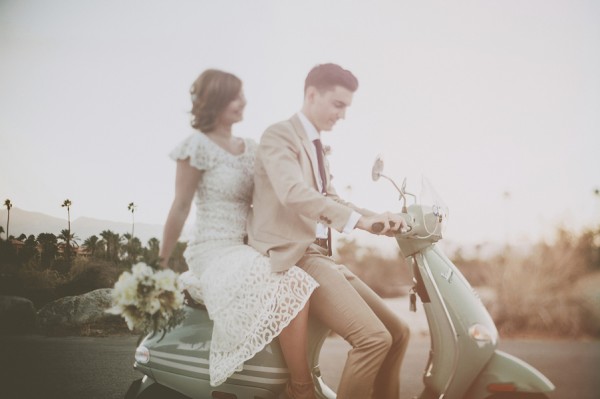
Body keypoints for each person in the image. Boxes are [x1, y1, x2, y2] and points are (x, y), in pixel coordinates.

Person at [247, 63, 411, 399]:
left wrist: (377, 219)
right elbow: (292, 192)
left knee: (398, 332)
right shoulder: (279, 136)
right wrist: (358, 221)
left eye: (347, 107)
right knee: (373, 339)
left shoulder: (317, 146)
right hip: (294, 256)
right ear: (312, 95)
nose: (343, 115)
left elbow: (331, 199)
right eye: (338, 105)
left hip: (321, 257)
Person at [158, 69, 319, 399]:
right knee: (295, 283)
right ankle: (301, 388)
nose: (243, 101)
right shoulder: (196, 147)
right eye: (234, 95)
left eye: (243, 94)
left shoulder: (251, 147)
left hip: (247, 245)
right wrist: (160, 261)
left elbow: (278, 188)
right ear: (215, 100)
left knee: (296, 278)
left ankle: (292, 378)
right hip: (212, 250)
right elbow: (180, 207)